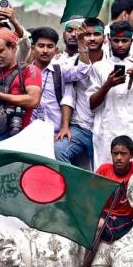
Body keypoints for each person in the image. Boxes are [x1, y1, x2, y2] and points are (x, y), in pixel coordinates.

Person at [88, 22, 133, 168]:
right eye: (116, 41)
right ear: (109, 40)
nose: (120, 45)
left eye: (124, 41)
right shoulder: (99, 67)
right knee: (108, 181)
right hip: (108, 131)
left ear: (132, 41)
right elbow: (91, 104)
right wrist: (108, 85)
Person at [56, 17, 107, 167]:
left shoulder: (113, 63)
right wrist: (65, 126)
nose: (91, 38)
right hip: (80, 127)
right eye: (87, 35)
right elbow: (68, 96)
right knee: (59, 150)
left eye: (96, 34)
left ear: (104, 38)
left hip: (105, 127)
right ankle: (73, 188)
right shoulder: (71, 63)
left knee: (101, 169)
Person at [28, 27, 91, 132]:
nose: (45, 51)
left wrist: (81, 42)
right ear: (33, 48)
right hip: (29, 130)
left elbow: (83, 71)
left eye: (50, 46)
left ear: (55, 50)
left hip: (56, 132)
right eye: (41, 46)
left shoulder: (60, 70)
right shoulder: (25, 72)